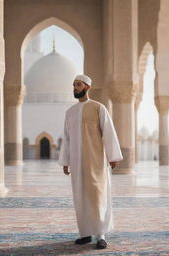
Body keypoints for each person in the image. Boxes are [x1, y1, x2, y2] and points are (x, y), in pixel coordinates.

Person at [58, 74, 123, 249]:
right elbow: (67, 138)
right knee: (80, 196)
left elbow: (108, 132)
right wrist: (66, 161)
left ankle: (100, 234)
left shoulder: (98, 108)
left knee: (97, 196)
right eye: (73, 85)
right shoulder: (70, 112)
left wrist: (112, 156)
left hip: (96, 161)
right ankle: (85, 233)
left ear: (87, 87)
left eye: (78, 85)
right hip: (77, 163)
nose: (75, 88)